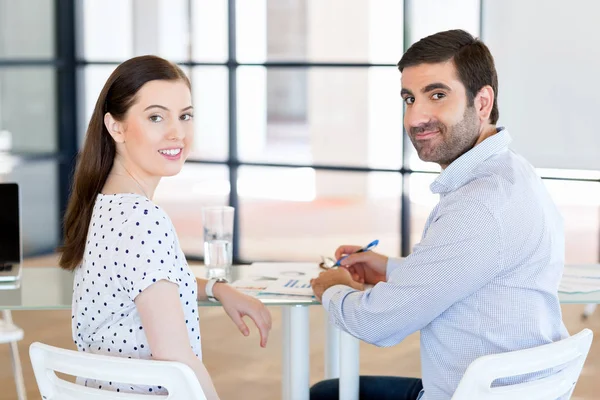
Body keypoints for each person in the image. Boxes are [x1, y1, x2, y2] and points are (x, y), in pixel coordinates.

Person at [309, 29, 568, 400]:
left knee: (326, 396)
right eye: (409, 99)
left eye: (437, 95)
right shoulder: (512, 172)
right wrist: (392, 270)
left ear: (481, 102)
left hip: (474, 395)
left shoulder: (480, 203)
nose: (415, 118)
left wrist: (331, 287)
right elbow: (476, 271)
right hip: (517, 389)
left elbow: (376, 322)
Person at [58, 55, 272, 399]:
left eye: (185, 116)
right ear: (116, 127)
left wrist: (217, 288)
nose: (178, 133)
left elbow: (148, 279)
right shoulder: (142, 219)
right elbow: (175, 358)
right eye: (156, 117)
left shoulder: (105, 205)